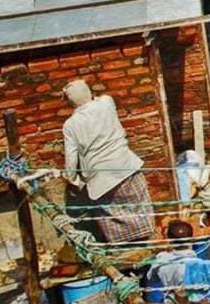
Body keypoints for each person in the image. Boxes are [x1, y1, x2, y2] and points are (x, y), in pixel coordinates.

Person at [62, 80, 154, 245]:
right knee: (139, 209)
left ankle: (124, 250)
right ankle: (148, 241)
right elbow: (101, 96)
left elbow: (71, 157)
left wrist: (74, 180)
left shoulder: (70, 124)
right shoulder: (106, 103)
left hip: (100, 179)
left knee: (113, 217)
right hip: (127, 166)